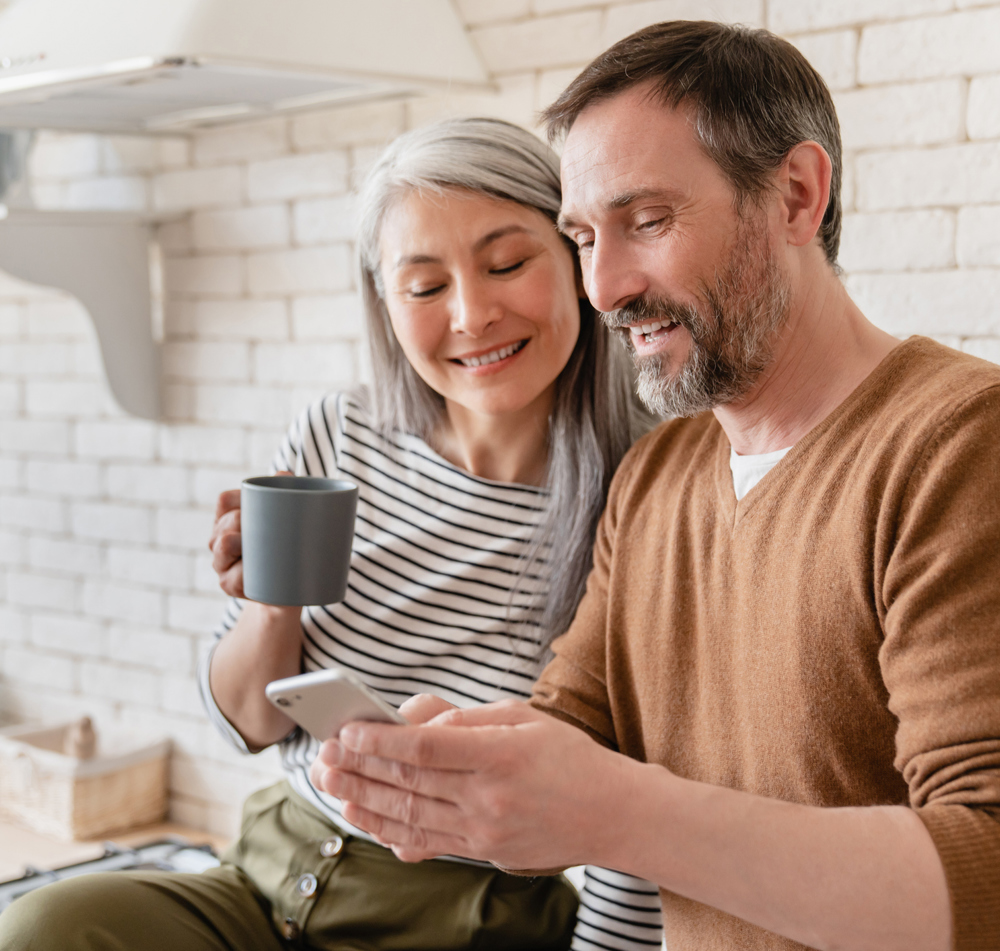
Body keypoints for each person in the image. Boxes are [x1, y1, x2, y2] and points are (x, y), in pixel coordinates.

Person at [306, 22, 1000, 951]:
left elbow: (987, 872)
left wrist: (616, 812)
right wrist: (458, 758)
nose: (604, 287)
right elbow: (572, 723)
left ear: (797, 195)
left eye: (647, 222)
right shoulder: (659, 480)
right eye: (585, 237)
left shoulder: (959, 446)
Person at [0, 118, 659, 951]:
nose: (471, 314)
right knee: (49, 926)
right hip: (269, 866)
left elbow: (642, 796)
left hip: (467, 915)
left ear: (573, 256)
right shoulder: (340, 432)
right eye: (423, 287)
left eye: (507, 264)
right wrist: (270, 608)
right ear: (384, 305)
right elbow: (245, 721)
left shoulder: (647, 487)